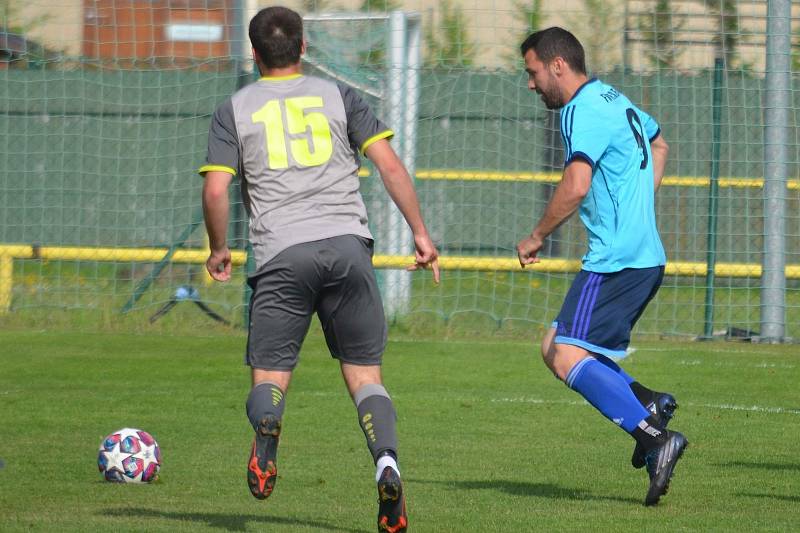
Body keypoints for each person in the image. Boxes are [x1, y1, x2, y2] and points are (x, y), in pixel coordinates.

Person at [199, 7, 439, 531]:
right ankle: (387, 465)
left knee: (271, 375)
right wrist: (420, 232)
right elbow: (390, 164)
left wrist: (219, 248)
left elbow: (216, 188)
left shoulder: (233, 109)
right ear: (304, 48)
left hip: (283, 253)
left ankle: (269, 426)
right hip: (348, 248)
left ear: (254, 53)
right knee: (365, 377)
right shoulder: (338, 96)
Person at [515, 27, 687, 506]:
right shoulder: (613, 97)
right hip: (642, 255)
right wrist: (639, 207)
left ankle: (653, 435)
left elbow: (575, 184)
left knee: (565, 355)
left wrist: (536, 236)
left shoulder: (580, 110)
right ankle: (648, 401)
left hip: (616, 259)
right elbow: (660, 144)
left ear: (557, 66)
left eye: (532, 73)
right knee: (554, 343)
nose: (530, 84)